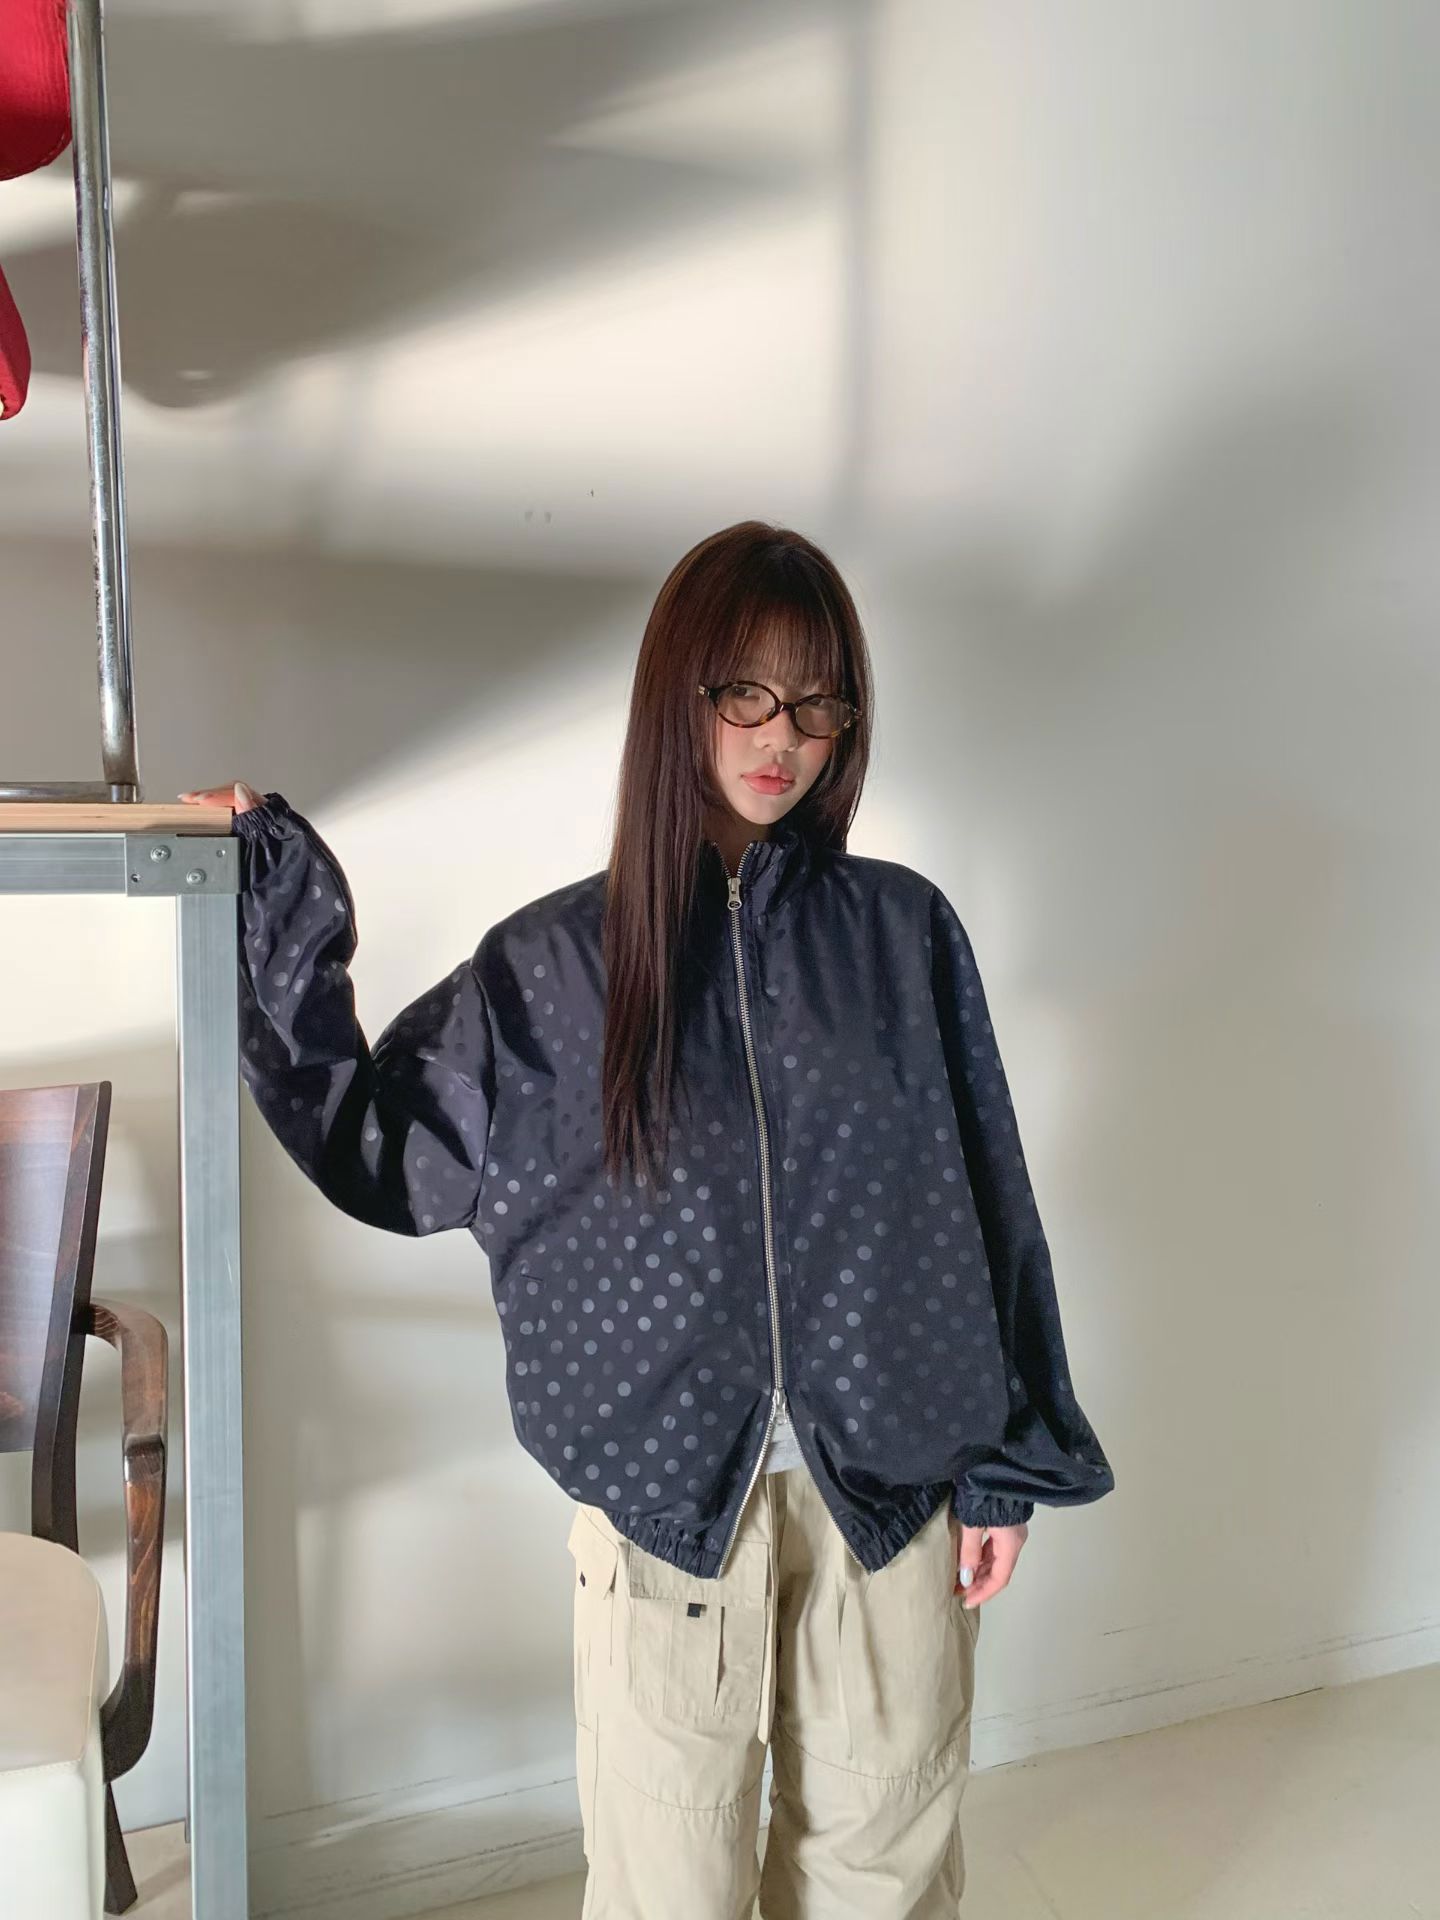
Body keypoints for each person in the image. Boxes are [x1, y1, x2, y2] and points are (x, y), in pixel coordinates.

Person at [180, 519, 1114, 1919]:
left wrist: (1006, 1466)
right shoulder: (549, 967)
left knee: (884, 1876)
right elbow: (380, 1146)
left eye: (818, 701)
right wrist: (269, 888)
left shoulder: (903, 932)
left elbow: (990, 1195)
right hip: (668, 1519)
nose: (781, 735)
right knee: (667, 1891)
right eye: (746, 690)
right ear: (679, 692)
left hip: (895, 1497)